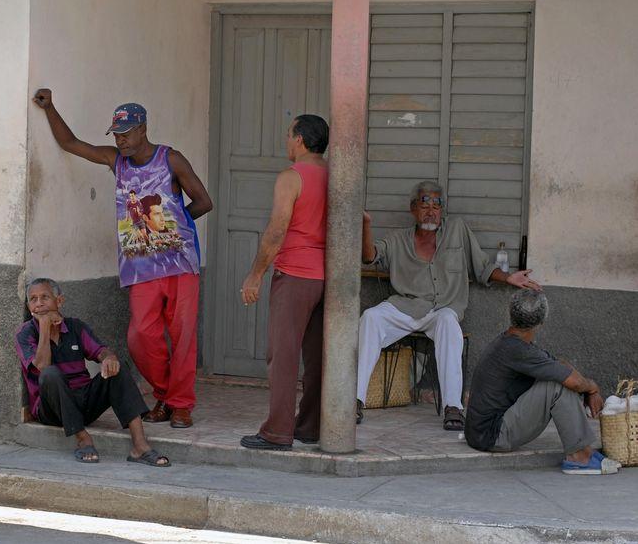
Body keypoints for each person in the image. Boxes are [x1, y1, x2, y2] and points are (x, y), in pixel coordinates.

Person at [33, 90, 212, 429]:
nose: (121, 140)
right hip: (140, 267)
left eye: (126, 133)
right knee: (141, 337)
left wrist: (172, 227)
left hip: (180, 264)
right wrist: (50, 107)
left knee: (183, 334)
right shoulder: (117, 161)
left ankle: (180, 404)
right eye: (116, 134)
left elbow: (204, 201)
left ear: (143, 129)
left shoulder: (170, 159)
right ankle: (164, 393)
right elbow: (71, 143)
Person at [359, 180, 541, 430]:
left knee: (448, 323)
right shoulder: (398, 239)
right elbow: (369, 257)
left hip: (443, 309)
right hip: (406, 307)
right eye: (425, 203)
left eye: (437, 204)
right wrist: (366, 224)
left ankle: (453, 407)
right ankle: (355, 400)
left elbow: (482, 267)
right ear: (413, 209)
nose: (431, 210)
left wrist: (509, 277)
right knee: (370, 317)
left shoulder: (457, 229)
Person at [239, 115, 329, 451]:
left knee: (283, 355)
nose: (286, 139)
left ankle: (277, 431)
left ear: (301, 140)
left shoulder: (291, 178)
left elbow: (277, 230)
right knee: (319, 357)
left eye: (288, 134)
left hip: (295, 275)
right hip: (326, 277)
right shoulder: (336, 175)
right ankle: (310, 426)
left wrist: (255, 274)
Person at [16, 278, 169, 467]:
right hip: (53, 409)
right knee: (50, 374)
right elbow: (42, 366)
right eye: (33, 299)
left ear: (60, 301)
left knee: (118, 368)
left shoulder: (75, 327)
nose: (39, 303)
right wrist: (45, 327)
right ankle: (83, 439)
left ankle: (140, 446)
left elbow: (100, 351)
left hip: (84, 402)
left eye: (45, 297)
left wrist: (109, 358)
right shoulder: (25, 333)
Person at [465, 290, 620, 475]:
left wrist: (587, 389)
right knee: (557, 385)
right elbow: (574, 383)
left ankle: (583, 450)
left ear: (511, 315)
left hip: (480, 433)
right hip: (492, 436)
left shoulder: (510, 342)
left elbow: (559, 365)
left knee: (560, 377)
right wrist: (592, 388)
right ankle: (579, 457)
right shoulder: (516, 349)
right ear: (541, 322)